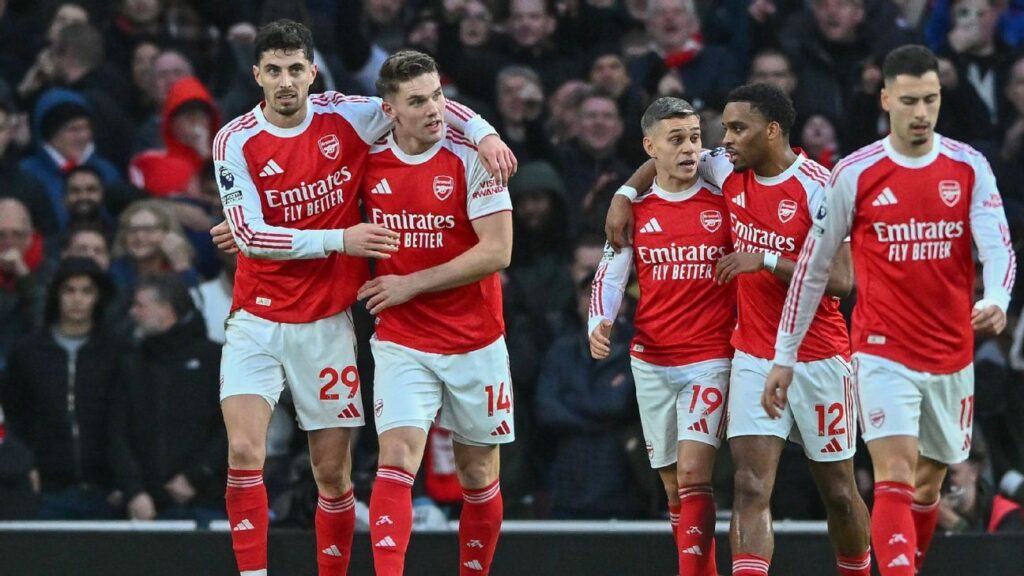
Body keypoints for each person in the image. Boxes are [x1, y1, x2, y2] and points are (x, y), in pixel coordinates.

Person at [211, 20, 514, 576]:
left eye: (295, 69)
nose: (285, 81)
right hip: (258, 315)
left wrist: (486, 132)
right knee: (246, 452)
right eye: (274, 70)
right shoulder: (234, 139)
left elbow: (426, 104)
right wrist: (338, 238)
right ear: (257, 75)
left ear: (313, 71)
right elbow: (250, 235)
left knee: (334, 475)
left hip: (332, 320)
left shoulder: (351, 117)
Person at [766, 45, 1016, 576]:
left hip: (951, 352)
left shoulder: (969, 166)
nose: (921, 112)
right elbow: (813, 267)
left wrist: (996, 298)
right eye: (908, 101)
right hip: (881, 349)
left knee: (928, 483)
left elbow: (998, 247)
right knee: (895, 473)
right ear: (885, 99)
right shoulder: (855, 172)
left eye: (930, 99)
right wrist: (784, 354)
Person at [605, 83, 872, 576]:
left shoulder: (820, 187)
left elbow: (841, 281)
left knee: (838, 492)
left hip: (819, 356)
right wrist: (624, 195)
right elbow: (660, 158)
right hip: (752, 353)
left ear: (772, 131)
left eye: (736, 128)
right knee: (749, 485)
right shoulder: (727, 166)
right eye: (724, 128)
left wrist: (765, 260)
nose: (723, 139)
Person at [355, 50, 514, 576]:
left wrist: (409, 284)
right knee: (397, 456)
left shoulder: (474, 156)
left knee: (478, 473)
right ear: (389, 111)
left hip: (476, 338)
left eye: (438, 96)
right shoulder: (368, 158)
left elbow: (497, 252)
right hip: (402, 339)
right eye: (418, 101)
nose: (434, 110)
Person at [589, 97, 735, 575]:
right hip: (651, 360)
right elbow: (611, 272)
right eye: (676, 140)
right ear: (650, 147)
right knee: (673, 484)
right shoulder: (636, 211)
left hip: (710, 358)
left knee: (694, 473)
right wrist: (599, 321)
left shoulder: (724, 200)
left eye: (695, 137)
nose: (690, 148)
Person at [2, 257, 120, 519]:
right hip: (45, 487)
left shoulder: (116, 351)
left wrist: (126, 482)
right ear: (57, 294)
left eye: (86, 291)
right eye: (69, 290)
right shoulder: (28, 351)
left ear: (98, 297)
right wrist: (23, 464)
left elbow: (126, 419)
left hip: (107, 488)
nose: (77, 299)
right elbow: (14, 416)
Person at [109, 273, 225, 523]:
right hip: (145, 506)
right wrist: (134, 490)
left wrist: (197, 475)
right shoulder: (132, 363)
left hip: (206, 501)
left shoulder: (214, 359)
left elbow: (234, 428)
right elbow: (116, 432)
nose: (132, 312)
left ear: (166, 308)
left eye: (140, 305)